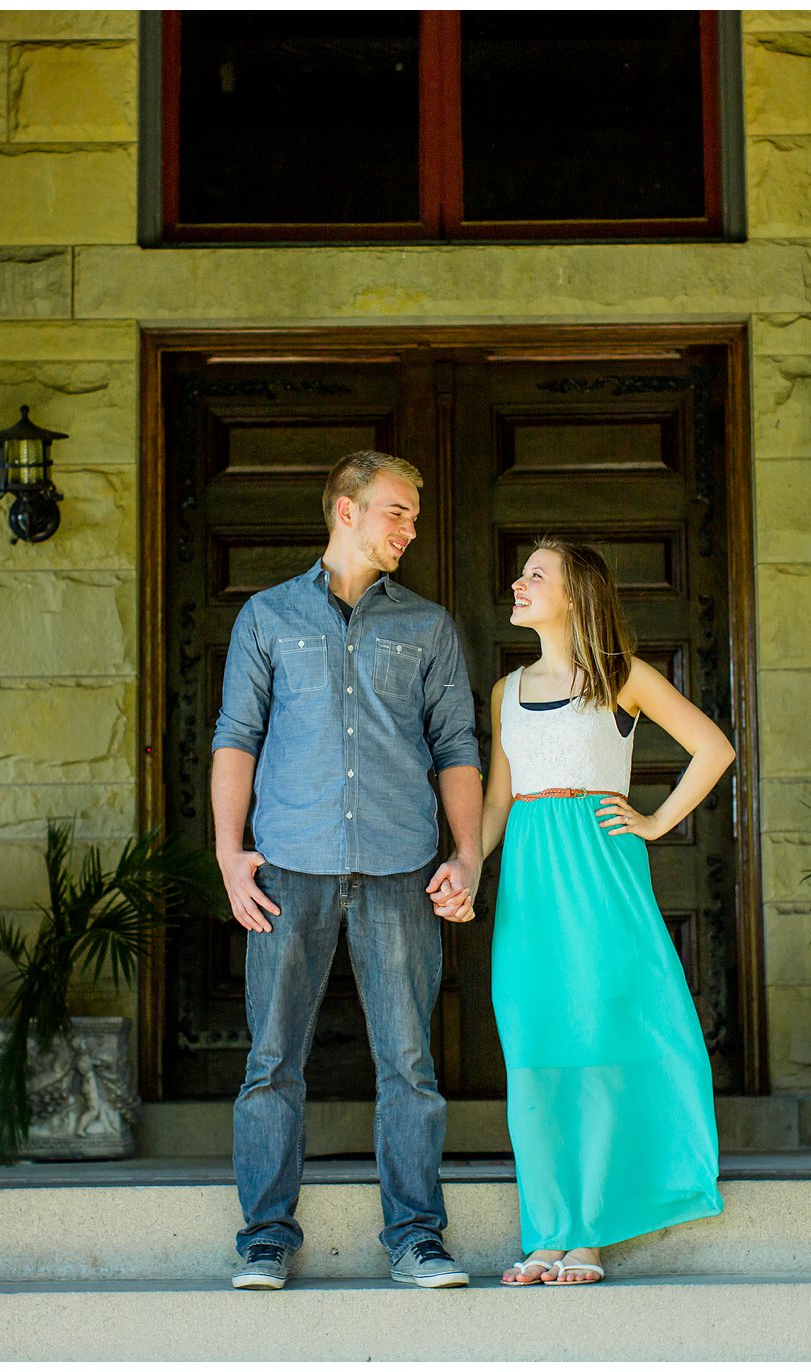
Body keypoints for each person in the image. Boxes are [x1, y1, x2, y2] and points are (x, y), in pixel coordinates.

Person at [210, 449, 483, 1292]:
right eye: (396, 511)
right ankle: (264, 1237)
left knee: (409, 1063)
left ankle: (415, 1238)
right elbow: (236, 736)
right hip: (288, 867)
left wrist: (468, 852)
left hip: (402, 866)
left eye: (413, 513)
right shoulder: (265, 618)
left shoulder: (428, 627)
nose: (410, 527)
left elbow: (456, 748)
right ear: (345, 511)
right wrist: (229, 851)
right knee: (272, 1059)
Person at [472, 537, 733, 1287]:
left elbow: (712, 749)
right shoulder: (506, 691)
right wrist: (466, 866)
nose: (518, 583)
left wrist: (656, 822)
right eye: (521, 571)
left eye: (535, 575)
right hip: (529, 882)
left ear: (575, 594)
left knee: (595, 1044)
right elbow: (496, 799)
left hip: (600, 876)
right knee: (533, 1051)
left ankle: (586, 1234)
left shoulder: (624, 678)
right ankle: (546, 1232)